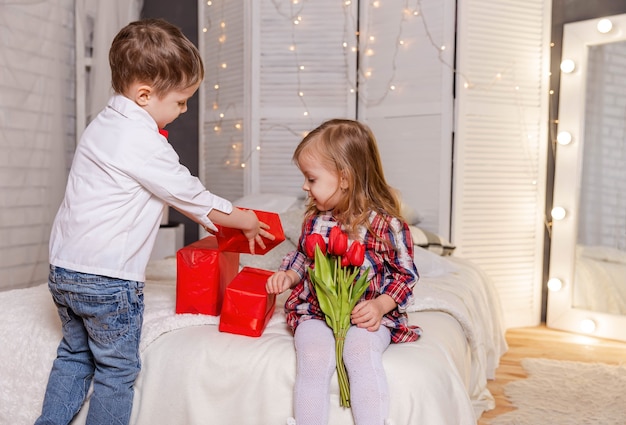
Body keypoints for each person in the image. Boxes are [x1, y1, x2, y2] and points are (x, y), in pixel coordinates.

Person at [35, 18, 274, 425]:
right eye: (181, 102)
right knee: (116, 370)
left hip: (64, 271)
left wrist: (219, 221)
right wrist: (243, 219)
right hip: (108, 280)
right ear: (145, 95)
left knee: (75, 355)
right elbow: (189, 193)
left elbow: (174, 195)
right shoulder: (141, 140)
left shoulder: (103, 125)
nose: (183, 110)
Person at [266, 119, 420, 425]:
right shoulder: (315, 219)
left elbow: (406, 276)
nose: (304, 187)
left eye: (311, 179)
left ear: (344, 178)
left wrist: (379, 305)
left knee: (359, 352)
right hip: (317, 311)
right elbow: (303, 256)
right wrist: (289, 275)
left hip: (365, 314)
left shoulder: (385, 225)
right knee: (312, 358)